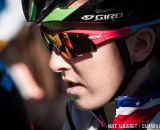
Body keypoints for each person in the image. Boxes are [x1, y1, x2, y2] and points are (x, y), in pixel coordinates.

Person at [21, 0, 160, 130]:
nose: (54, 64)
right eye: (50, 40)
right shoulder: (83, 117)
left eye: (73, 42)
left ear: (140, 44)